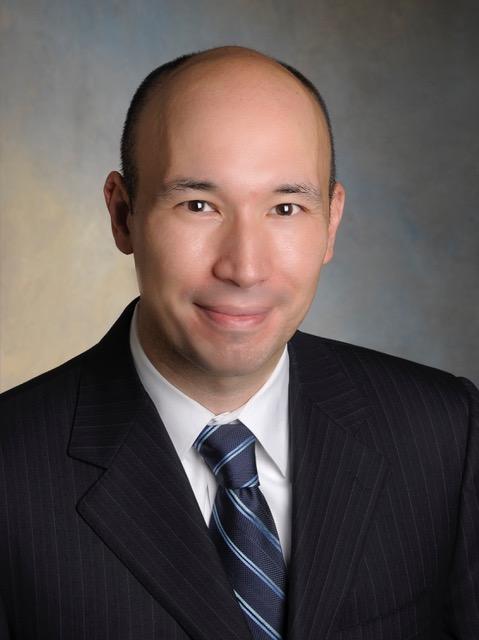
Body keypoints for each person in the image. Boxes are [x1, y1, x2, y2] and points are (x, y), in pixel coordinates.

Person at [0, 46, 478, 640]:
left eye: (285, 207)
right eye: (199, 205)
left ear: (330, 222)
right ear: (123, 215)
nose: (245, 268)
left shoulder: (443, 433)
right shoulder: (12, 471)